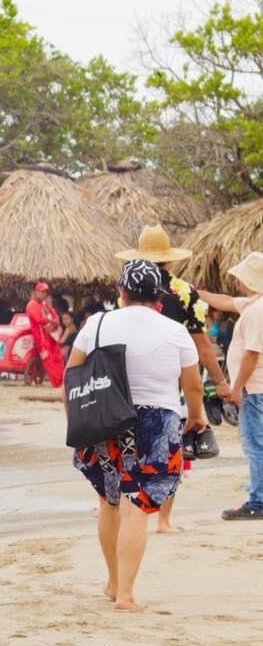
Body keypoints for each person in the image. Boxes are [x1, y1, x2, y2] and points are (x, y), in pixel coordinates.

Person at [68, 260, 206, 609]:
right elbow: (191, 386)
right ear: (158, 295)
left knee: (108, 502)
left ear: (122, 291)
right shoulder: (175, 330)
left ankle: (114, 583)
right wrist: (196, 418)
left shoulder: (96, 323)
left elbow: (72, 375)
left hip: (106, 418)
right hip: (156, 422)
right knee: (136, 508)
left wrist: (76, 421)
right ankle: (127, 594)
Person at [115, 226, 231, 533]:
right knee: (170, 451)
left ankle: (118, 503)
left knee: (126, 446)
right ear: (169, 260)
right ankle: (164, 520)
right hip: (169, 379)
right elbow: (202, 345)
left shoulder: (125, 291)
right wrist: (219, 382)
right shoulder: (183, 291)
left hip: (128, 379)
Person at [198, 253, 263, 520]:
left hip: (255, 388)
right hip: (256, 388)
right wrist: (198, 293)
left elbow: (251, 354)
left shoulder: (258, 311)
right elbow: (224, 301)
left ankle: (258, 501)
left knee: (255, 444)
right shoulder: (253, 304)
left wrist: (236, 388)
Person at [25, 282, 65, 387]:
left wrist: (55, 322)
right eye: (42, 292)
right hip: (41, 338)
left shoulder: (45, 305)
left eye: (46, 292)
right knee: (48, 360)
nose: (44, 294)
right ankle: (57, 383)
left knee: (57, 357)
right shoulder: (32, 305)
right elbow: (39, 319)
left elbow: (55, 315)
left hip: (50, 336)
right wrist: (53, 321)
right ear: (36, 292)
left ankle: (62, 380)